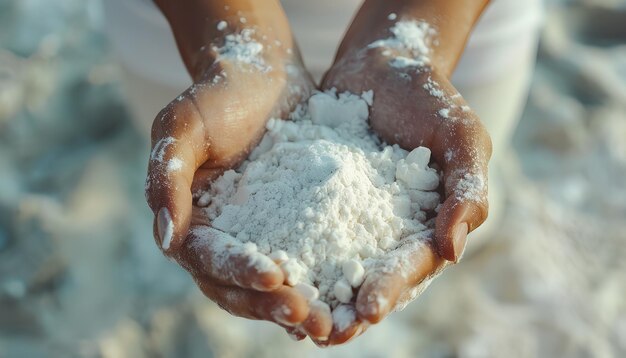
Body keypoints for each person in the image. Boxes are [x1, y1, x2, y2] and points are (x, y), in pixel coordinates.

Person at [103, 0, 542, 346]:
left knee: (461, 207)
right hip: (197, 19)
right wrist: (240, 41)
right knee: (196, 193)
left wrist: (409, 42)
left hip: (445, 17)